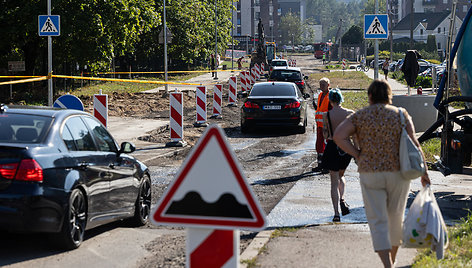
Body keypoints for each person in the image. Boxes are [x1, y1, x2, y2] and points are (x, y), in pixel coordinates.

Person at [333, 80, 431, 268]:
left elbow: (338, 135)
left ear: (370, 96)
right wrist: (424, 173)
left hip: (370, 174)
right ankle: (391, 263)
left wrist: (357, 153)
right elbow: (415, 145)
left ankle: (388, 264)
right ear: (389, 95)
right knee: (395, 218)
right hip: (398, 174)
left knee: (377, 220)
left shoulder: (360, 116)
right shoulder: (401, 115)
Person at [320, 89, 354, 222]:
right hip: (346, 148)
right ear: (341, 99)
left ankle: (336, 213)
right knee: (341, 175)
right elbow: (354, 133)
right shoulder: (350, 113)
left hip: (332, 147)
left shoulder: (326, 115)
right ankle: (342, 199)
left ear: (331, 100)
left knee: (333, 181)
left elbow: (325, 135)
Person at [312, 77, 332, 173]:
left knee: (327, 146)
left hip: (327, 125)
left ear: (328, 85)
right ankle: (320, 165)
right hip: (320, 125)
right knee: (319, 145)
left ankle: (327, 166)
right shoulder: (320, 95)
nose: (322, 86)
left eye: (323, 84)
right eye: (320, 85)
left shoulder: (331, 96)